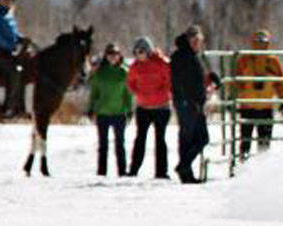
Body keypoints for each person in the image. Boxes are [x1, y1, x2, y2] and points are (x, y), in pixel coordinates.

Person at [170, 26, 218, 184]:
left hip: (194, 102)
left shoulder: (193, 56)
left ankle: (186, 171)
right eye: (194, 40)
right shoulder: (181, 56)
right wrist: (189, 101)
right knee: (198, 138)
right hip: (187, 103)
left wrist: (211, 77)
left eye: (199, 40)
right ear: (188, 39)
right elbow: (180, 82)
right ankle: (184, 168)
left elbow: (197, 78)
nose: (197, 43)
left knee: (192, 138)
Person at [233, 29, 283, 160]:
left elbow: (280, 82)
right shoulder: (244, 60)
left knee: (264, 143)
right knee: (245, 141)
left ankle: (262, 169)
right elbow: (236, 81)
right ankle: (243, 166)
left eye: (263, 42)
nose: (260, 44)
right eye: (258, 41)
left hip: (266, 107)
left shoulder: (272, 61)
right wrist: (233, 98)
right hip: (247, 106)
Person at [126, 36, 172, 178]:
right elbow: (130, 82)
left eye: (142, 51)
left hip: (161, 107)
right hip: (143, 108)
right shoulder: (135, 67)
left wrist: (161, 92)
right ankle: (133, 170)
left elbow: (169, 80)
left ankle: (161, 172)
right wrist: (138, 92)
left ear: (148, 51)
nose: (140, 55)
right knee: (140, 139)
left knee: (160, 139)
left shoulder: (161, 63)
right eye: (137, 52)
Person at [88, 43, 133, 177]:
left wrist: (129, 109)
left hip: (119, 113)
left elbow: (128, 93)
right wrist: (91, 108)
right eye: (110, 54)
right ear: (106, 56)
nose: (113, 57)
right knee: (103, 145)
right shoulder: (99, 73)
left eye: (115, 54)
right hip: (103, 112)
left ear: (120, 56)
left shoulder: (124, 72)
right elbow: (94, 92)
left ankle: (122, 171)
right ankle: (102, 171)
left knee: (120, 144)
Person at [0, 0, 27, 118]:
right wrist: (12, 45)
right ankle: (8, 107)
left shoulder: (9, 16)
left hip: (10, 52)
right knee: (14, 73)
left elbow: (14, 34)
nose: (7, 1)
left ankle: (20, 107)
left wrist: (21, 39)